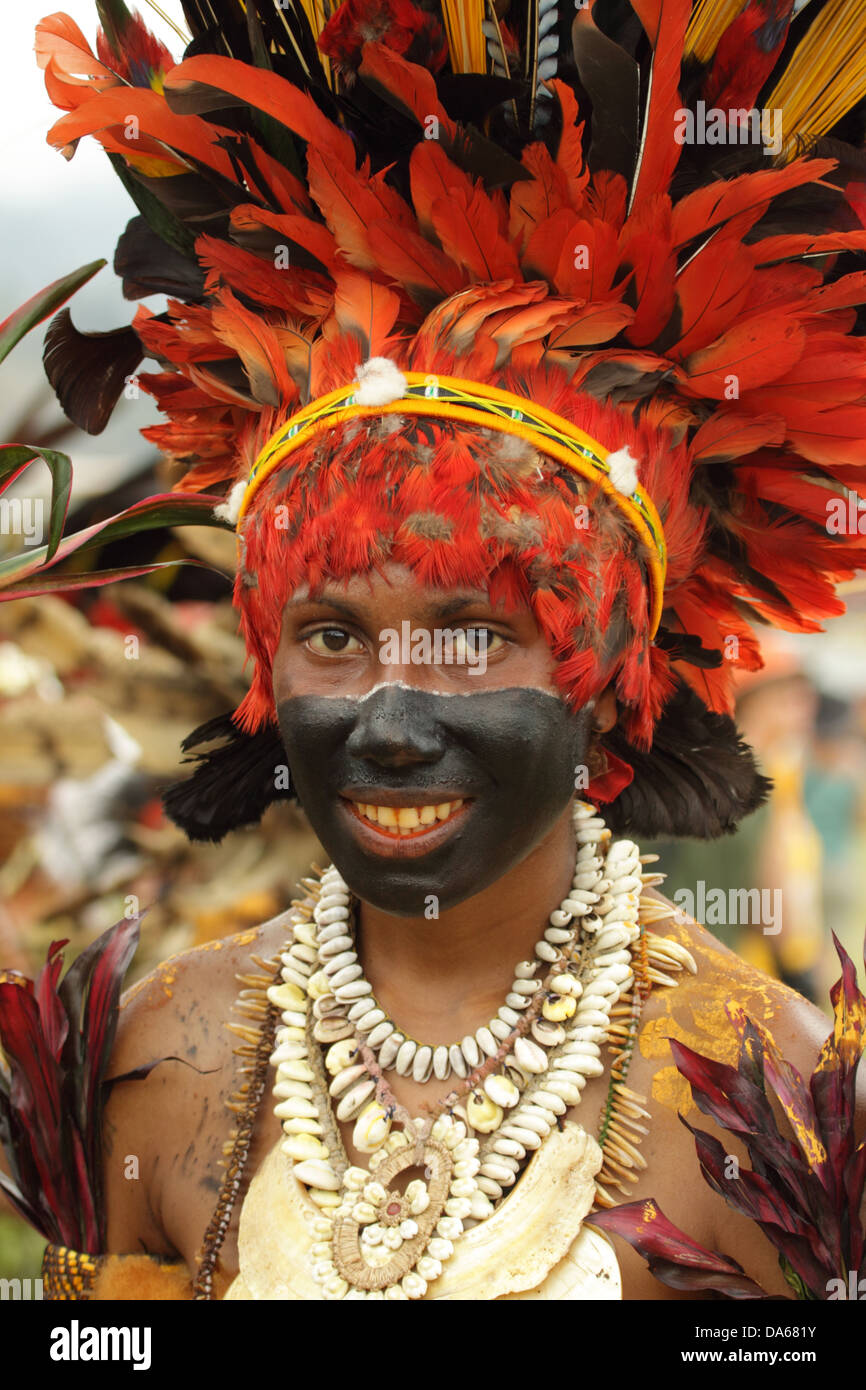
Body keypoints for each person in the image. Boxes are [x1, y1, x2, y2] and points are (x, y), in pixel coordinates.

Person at [4, 0, 866, 1300]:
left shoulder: (775, 1113)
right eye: (333, 633)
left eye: (472, 632)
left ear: (605, 676)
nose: (390, 719)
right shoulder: (149, 1062)